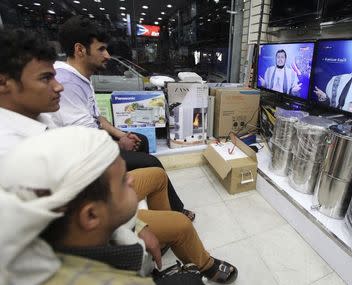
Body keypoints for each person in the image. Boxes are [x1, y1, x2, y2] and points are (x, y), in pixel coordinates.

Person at [0, 28, 238, 284]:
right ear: (4, 82)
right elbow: (65, 228)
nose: (58, 86)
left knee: (156, 174)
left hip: (91, 193)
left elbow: (92, 124)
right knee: (180, 224)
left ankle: (166, 236)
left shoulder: (40, 114)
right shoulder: (12, 151)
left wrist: (119, 138)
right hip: (81, 218)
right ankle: (204, 264)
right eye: (46, 78)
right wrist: (136, 227)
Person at [50, 15, 194, 221]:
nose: (107, 55)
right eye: (101, 49)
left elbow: (97, 118)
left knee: (140, 140)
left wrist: (122, 134)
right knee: (151, 161)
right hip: (84, 159)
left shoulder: (82, 77)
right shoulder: (67, 84)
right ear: (80, 49)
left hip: (92, 142)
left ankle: (153, 199)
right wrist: (118, 144)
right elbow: (85, 140)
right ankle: (174, 211)